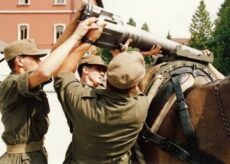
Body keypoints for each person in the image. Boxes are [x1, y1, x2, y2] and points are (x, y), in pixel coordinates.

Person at [52, 17, 162, 163]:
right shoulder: (140, 107)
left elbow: (62, 72)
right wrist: (127, 58)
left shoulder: (81, 102)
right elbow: (132, 84)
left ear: (108, 75)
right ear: (134, 84)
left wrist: (88, 40)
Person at [0, 17, 99, 164]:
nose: (41, 62)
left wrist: (74, 23)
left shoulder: (30, 81)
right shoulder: (10, 84)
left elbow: (53, 57)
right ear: (19, 60)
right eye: (35, 58)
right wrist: (77, 37)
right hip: (19, 160)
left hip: (33, 155)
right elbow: (44, 71)